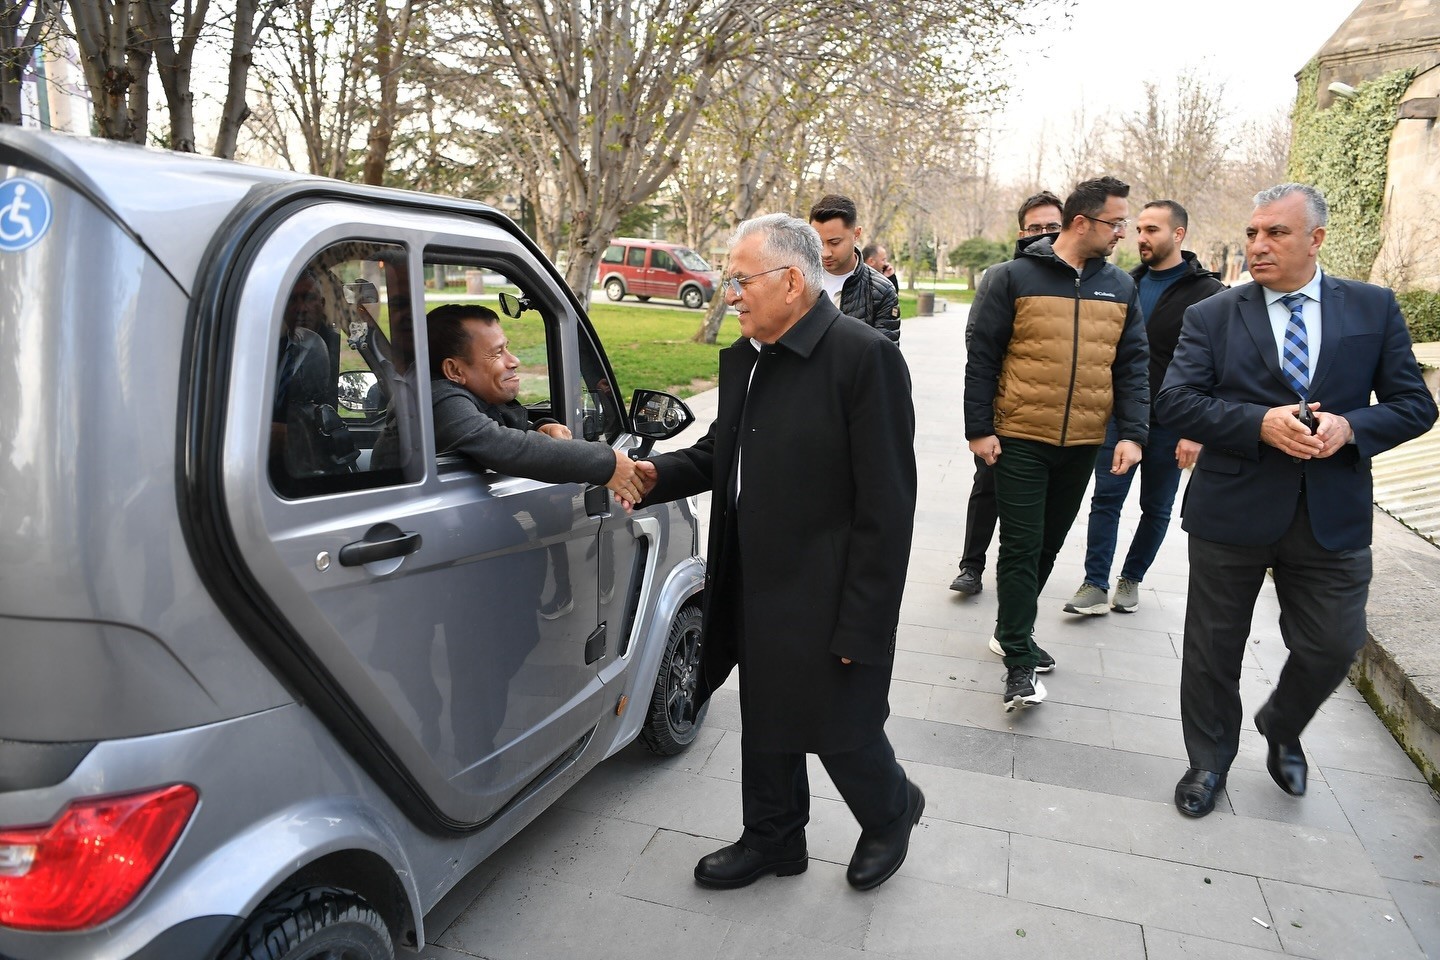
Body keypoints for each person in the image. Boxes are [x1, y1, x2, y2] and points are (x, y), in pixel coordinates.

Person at [634, 213, 923, 892]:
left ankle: (891, 812)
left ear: (792, 281)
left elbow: (888, 509)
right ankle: (774, 837)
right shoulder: (750, 355)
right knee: (766, 713)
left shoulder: (864, 359)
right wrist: (648, 476)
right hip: (753, 574)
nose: (730, 294)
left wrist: (865, 623)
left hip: (828, 588)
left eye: (741, 280)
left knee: (840, 724)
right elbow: (720, 452)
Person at [1156, 183, 1436, 818]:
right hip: (1232, 509)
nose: (1258, 245)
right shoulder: (1213, 314)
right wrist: (1258, 423)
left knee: (1334, 643)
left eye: (1276, 233)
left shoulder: (1372, 307)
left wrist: (1351, 428)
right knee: (1212, 648)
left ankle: (1282, 724)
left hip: (1332, 513)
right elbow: (1176, 401)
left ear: (1316, 239)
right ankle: (1208, 760)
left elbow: (1415, 405)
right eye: (1253, 233)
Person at [964, 177, 1149, 711]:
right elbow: (983, 356)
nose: (1122, 232)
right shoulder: (1011, 277)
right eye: (1116, 222)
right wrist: (979, 428)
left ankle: (1011, 628)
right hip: (1021, 436)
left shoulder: (1120, 286)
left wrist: (1132, 433)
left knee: (1047, 544)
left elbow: (1132, 366)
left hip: (1084, 441)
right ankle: (1018, 662)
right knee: (1021, 545)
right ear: (1081, 222)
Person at [1063, 201, 1226, 616]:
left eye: (1152, 230)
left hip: (1173, 422)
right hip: (1119, 416)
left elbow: (1218, 367)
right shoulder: (1125, 283)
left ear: (1178, 234)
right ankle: (1095, 583)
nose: (1140, 238)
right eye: (1138, 229)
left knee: (1156, 507)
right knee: (1106, 500)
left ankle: (1131, 577)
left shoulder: (1209, 293)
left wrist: (1196, 431)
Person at [950, 190, 1064, 596]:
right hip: (1006, 406)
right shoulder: (1003, 275)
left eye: (1052, 226)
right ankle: (971, 566)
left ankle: (1020, 574)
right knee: (987, 487)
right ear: (1021, 233)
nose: (1044, 234)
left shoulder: (1080, 282)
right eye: (1035, 228)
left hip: (1054, 416)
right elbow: (977, 339)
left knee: (1040, 500)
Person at [427, 303, 644, 503]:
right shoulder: (440, 400)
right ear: (454, 370)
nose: (514, 361)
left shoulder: (471, 395)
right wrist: (606, 464)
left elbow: (495, 422)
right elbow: (501, 445)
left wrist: (539, 428)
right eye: (497, 353)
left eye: (507, 348)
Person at [809, 194, 901, 342]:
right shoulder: (796, 279)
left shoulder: (882, 291)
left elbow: (885, 353)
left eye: (834, 242)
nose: (825, 253)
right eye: (818, 243)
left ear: (856, 234)